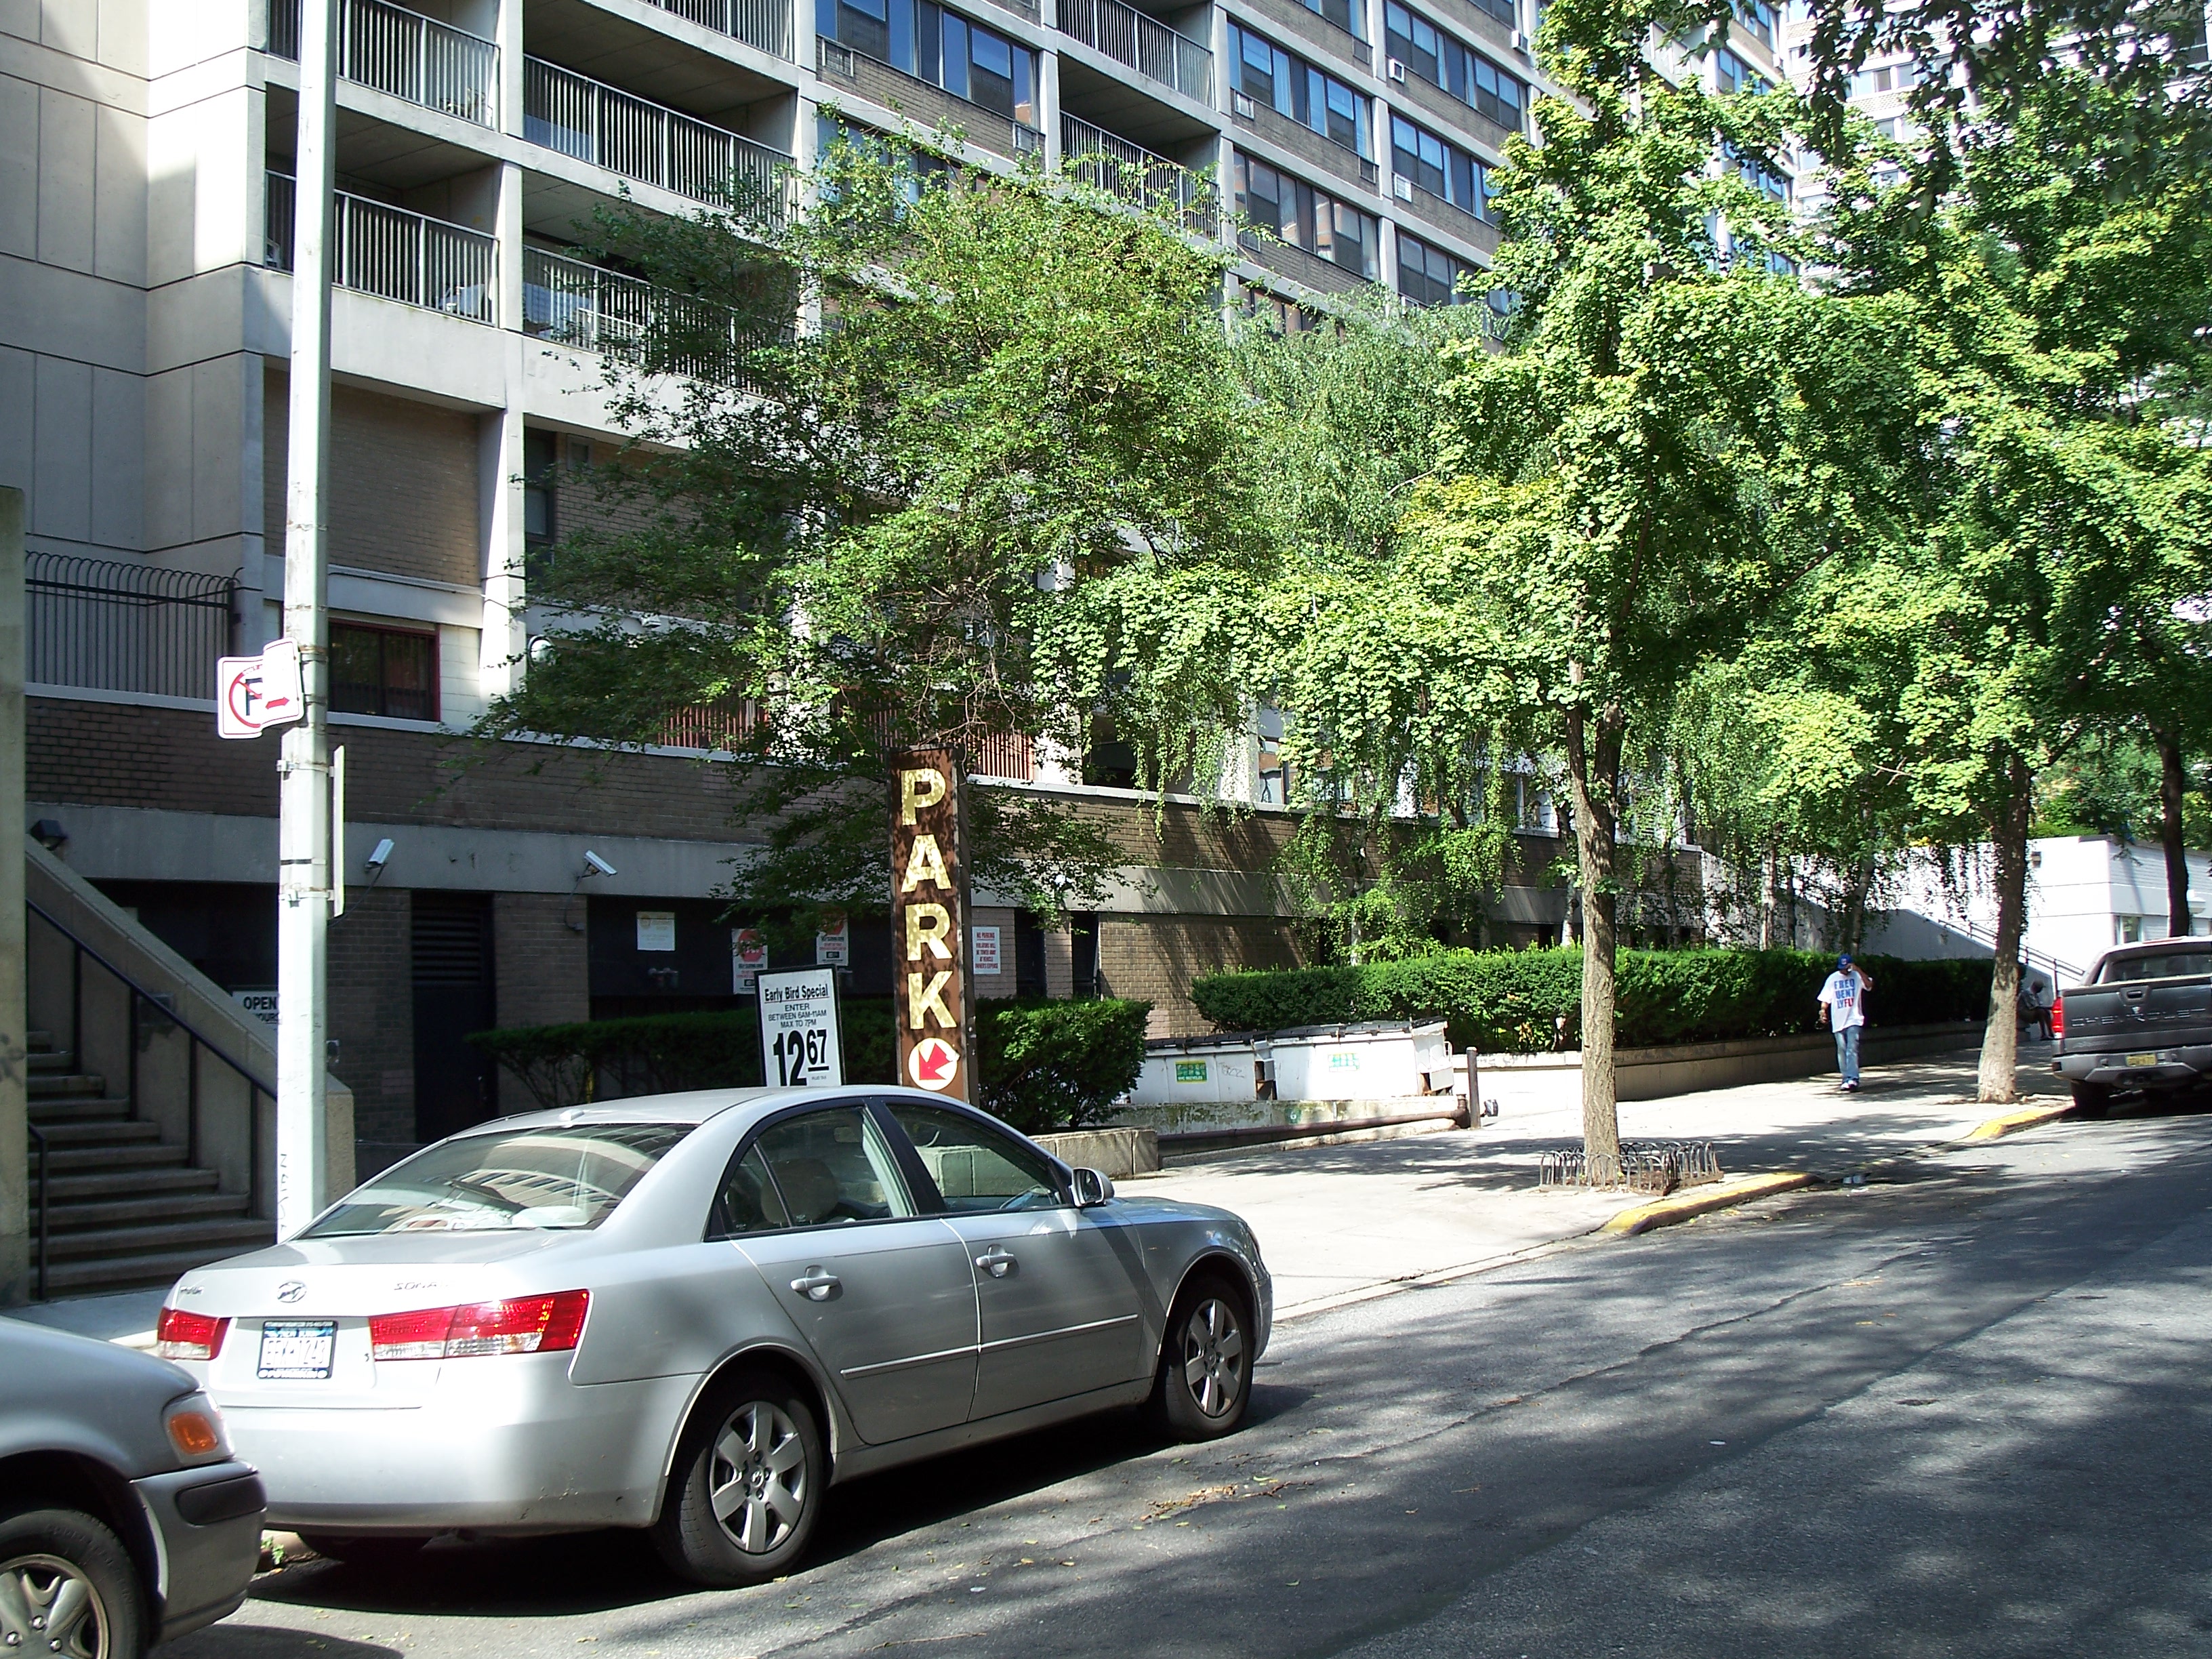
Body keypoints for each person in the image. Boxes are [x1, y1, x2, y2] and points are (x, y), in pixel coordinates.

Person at [1818, 953, 1875, 1091]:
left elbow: (1869, 985)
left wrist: (1858, 970)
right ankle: (1845, 1078)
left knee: (1852, 1048)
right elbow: (1825, 999)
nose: (1844, 971)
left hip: (1854, 1018)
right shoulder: (1833, 979)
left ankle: (1853, 1078)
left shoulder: (1857, 976)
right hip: (1838, 1020)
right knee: (1842, 1050)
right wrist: (1823, 1011)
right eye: (1842, 968)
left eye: (1846, 968)